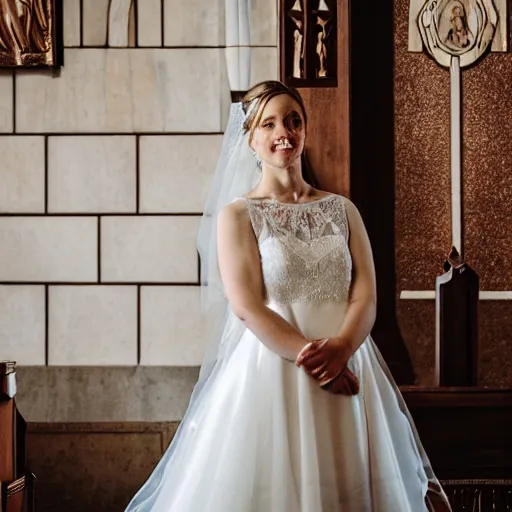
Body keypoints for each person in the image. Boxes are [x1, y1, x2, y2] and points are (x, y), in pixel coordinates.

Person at [125, 81, 452, 511]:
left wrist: (341, 350)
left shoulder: (343, 210)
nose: (285, 131)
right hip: (274, 369)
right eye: (271, 123)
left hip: (349, 361)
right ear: (251, 138)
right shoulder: (238, 215)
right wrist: (317, 361)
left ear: (305, 130)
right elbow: (246, 306)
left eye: (294, 120)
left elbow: (366, 296)